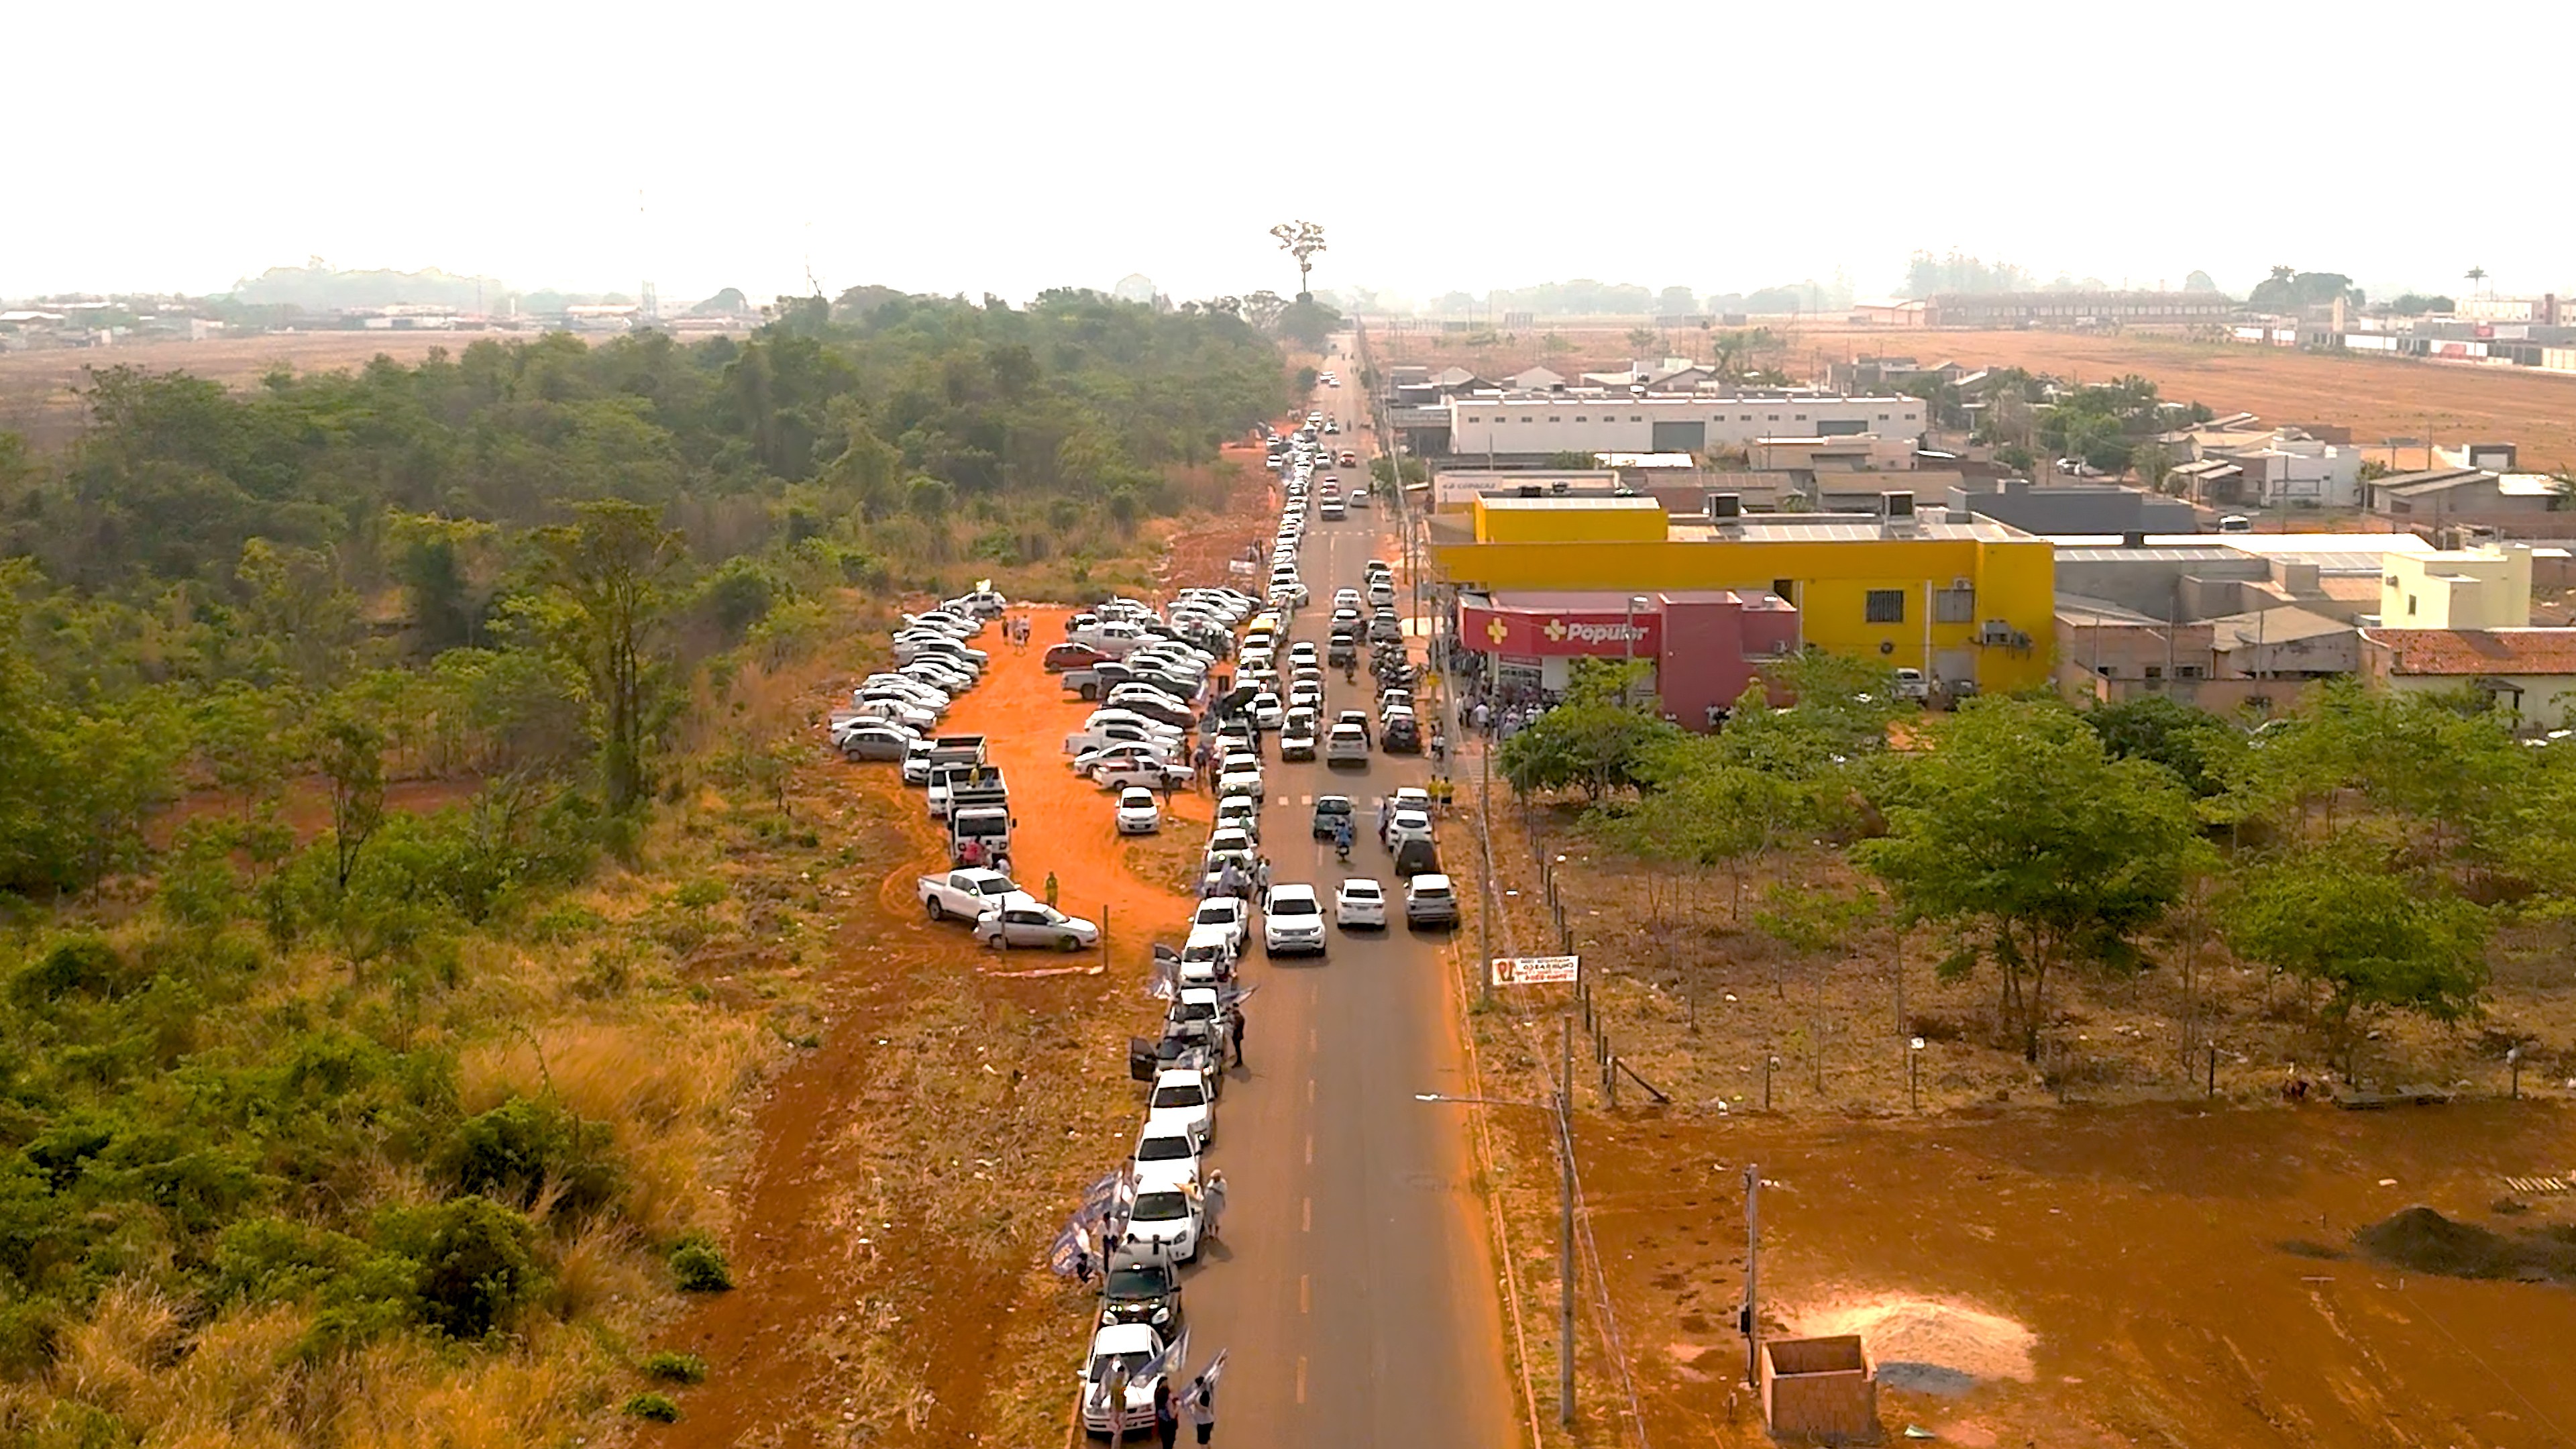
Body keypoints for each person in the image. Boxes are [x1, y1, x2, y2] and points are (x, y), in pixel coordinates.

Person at [1187, 1375, 1217, 1444]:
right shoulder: (1202, 1394)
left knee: (1203, 1444)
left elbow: (1205, 1409)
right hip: (1204, 1422)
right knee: (1206, 1443)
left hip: (1204, 1423)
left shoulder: (1205, 1395)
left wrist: (1195, 1404)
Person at [1201, 1169, 1228, 1242]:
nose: (1214, 1179)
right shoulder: (1211, 1182)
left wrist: (1213, 1189)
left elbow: (1222, 1191)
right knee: (1209, 1220)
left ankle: (1216, 1234)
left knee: (1217, 1220)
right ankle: (1210, 1233)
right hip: (1209, 1204)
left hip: (1217, 1205)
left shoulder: (1223, 1183)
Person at [1153, 1379, 1179, 1449]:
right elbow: (1172, 1415)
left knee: (1165, 1444)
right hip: (1170, 1426)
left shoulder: (1158, 1395)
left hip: (1162, 1425)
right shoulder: (1168, 1402)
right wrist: (1178, 1407)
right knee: (1169, 1444)